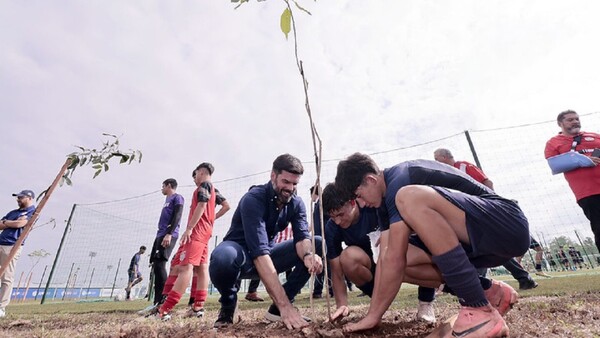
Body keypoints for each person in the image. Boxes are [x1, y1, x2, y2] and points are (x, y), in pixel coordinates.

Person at [335, 153, 529, 336]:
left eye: (358, 195)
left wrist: (373, 317)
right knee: (389, 253)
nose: (360, 203)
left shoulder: (400, 178)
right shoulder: (383, 205)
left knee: (408, 198)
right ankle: (490, 291)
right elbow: (388, 260)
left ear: (371, 180)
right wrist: (372, 316)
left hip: (506, 224)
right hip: (480, 243)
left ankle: (477, 308)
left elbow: (394, 258)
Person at [209, 154, 324, 330]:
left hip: (268, 255)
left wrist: (308, 255)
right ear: (273, 176)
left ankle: (276, 310)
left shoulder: (296, 203)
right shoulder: (253, 198)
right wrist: (287, 306)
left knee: (317, 243)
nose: (290, 188)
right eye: (285, 182)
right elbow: (259, 252)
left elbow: (302, 237)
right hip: (241, 255)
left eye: (294, 184)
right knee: (222, 258)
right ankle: (228, 306)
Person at [434, 148, 538, 291]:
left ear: (445, 157)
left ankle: (477, 282)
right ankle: (519, 278)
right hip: (466, 211)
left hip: (479, 209)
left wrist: (491, 203)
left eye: (436, 158)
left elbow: (486, 181)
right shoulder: (445, 174)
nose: (435, 162)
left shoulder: (463, 166)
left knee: (485, 243)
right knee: (484, 244)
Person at [153, 163, 230, 320]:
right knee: (201, 268)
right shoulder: (214, 189)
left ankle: (165, 310)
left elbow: (201, 205)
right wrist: (211, 219)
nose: (194, 179)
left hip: (196, 232)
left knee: (184, 267)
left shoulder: (204, 185)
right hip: (205, 233)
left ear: (200, 173)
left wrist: (189, 228)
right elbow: (226, 206)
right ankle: (197, 307)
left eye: (194, 175)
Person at [319, 183, 382, 321]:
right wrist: (341, 305)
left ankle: (426, 301)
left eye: (341, 214)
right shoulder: (332, 228)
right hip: (370, 268)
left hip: (391, 260)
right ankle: (379, 299)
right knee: (348, 257)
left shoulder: (372, 207)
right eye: (332, 216)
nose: (337, 221)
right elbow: (336, 272)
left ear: (352, 202)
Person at [545, 110, 600, 252]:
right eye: (570, 120)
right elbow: (555, 166)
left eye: (576, 118)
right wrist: (582, 161)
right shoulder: (553, 143)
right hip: (589, 193)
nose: (575, 121)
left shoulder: (594, 136)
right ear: (560, 124)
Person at [138, 179, 184, 314]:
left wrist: (169, 234)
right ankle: (156, 302)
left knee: (160, 264)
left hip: (168, 235)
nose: (161, 189)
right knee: (155, 264)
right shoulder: (167, 200)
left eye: (163, 186)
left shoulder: (177, 197)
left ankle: (162, 301)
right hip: (160, 234)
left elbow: (177, 215)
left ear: (169, 186)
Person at [0, 190, 36, 318]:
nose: (18, 199)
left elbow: (21, 224)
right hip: (1, 242)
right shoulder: (13, 212)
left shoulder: (32, 211)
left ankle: (1, 307)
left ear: (29, 198)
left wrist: (6, 223)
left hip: (12, 246)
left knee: (6, 277)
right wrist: (8, 223)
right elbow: (0, 224)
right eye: (18, 197)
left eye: (21, 197)